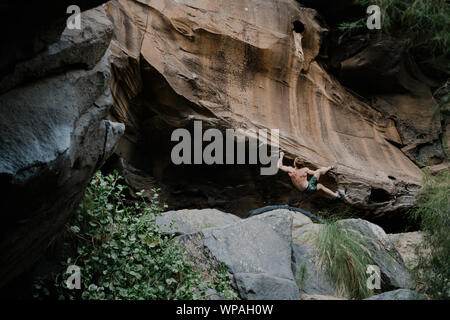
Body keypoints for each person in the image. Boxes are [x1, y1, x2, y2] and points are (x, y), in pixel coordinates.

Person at [277, 151, 344, 199]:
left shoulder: (290, 170)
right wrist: (319, 170)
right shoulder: (305, 170)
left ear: (294, 164)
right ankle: (331, 167)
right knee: (320, 181)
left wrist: (281, 155)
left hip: (300, 189)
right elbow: (314, 173)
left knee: (319, 181)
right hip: (309, 188)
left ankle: (336, 195)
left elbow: (279, 166)